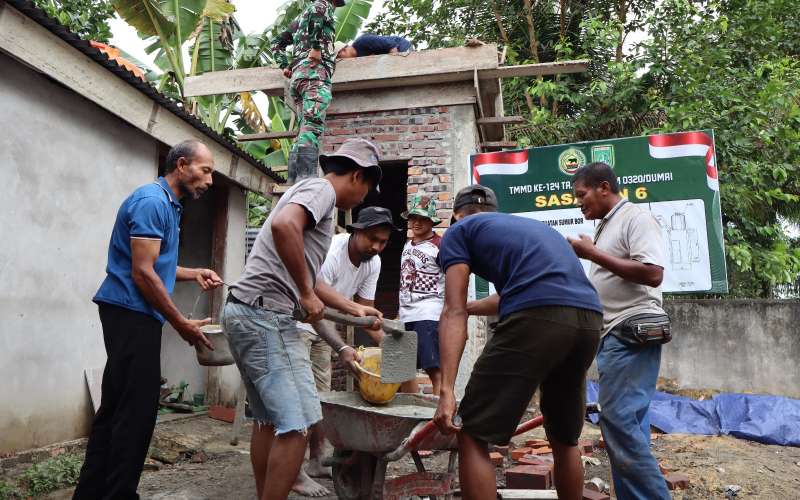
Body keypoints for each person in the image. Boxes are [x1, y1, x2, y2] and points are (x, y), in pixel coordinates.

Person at [222, 138, 382, 500]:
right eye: (367, 189)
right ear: (357, 175)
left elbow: (309, 280)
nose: (363, 199)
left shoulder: (314, 196)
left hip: (245, 310)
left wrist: (353, 307)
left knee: (268, 421)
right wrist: (306, 295)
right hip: (265, 316)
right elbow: (283, 227)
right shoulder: (320, 189)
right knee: (301, 423)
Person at [73, 140, 224, 499]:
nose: (210, 181)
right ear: (183, 165)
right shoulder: (152, 201)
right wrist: (181, 324)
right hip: (130, 311)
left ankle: (90, 494)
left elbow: (155, 264)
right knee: (137, 414)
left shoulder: (169, 205)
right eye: (206, 171)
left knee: (115, 410)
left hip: (132, 312)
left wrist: (193, 273)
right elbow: (142, 273)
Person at [433, 185, 604, 500]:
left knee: (472, 433)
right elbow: (511, 295)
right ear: (494, 214)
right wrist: (472, 308)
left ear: (456, 216)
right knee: (564, 438)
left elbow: (453, 310)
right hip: (589, 319)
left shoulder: (457, 232)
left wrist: (446, 392)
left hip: (538, 316)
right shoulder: (526, 228)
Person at [567, 162, 672, 500]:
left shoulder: (635, 218)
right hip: (616, 334)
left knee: (617, 423)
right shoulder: (607, 226)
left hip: (630, 332)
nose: (578, 202)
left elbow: (652, 273)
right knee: (630, 428)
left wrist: (592, 253)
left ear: (603, 187)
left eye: (581, 194)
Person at [292, 206, 399, 497]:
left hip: (324, 331)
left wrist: (391, 345)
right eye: (372, 238)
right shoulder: (331, 251)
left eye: (383, 242)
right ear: (356, 231)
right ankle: (294, 472)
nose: (376, 246)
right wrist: (341, 345)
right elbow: (313, 298)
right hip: (298, 325)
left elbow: (365, 315)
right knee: (301, 400)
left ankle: (316, 463)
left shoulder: (372, 262)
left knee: (321, 401)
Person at [271, 0, 344, 184]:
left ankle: (293, 177)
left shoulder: (297, 20)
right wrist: (317, 48)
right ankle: (305, 177)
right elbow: (317, 12)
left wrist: (285, 66)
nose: (334, 9)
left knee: (304, 127)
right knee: (312, 124)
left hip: (298, 76)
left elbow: (276, 42)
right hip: (314, 73)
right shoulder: (323, 5)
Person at [397, 195, 445, 396]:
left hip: (429, 314)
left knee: (434, 368)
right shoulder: (407, 244)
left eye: (423, 218)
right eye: (413, 217)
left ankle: (438, 417)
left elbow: (454, 279)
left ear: (432, 221)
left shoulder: (440, 245)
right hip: (406, 314)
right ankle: (411, 412)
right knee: (404, 369)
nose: (417, 222)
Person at [335, 34, 414, 59]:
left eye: (339, 57)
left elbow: (391, 45)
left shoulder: (363, 40)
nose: (340, 60)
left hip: (402, 48)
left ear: (344, 50)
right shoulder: (358, 58)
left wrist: (395, 63)